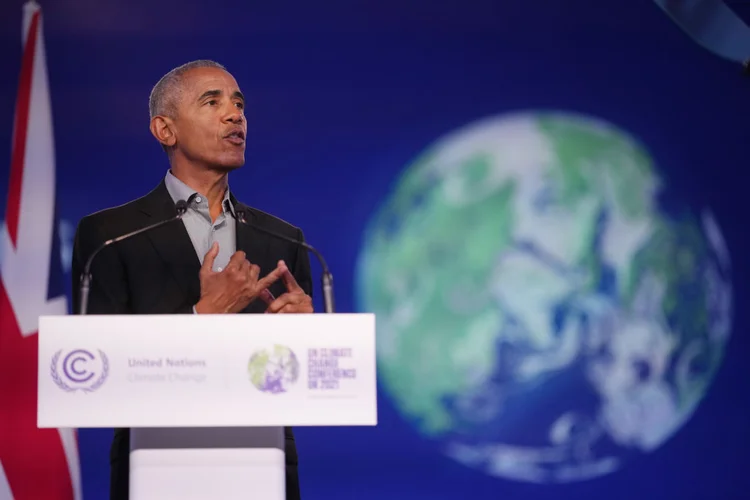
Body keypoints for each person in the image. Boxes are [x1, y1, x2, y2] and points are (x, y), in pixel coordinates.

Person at [71, 59, 313, 500]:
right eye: (212, 101)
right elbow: (94, 373)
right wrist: (205, 315)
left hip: (264, 464)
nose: (235, 114)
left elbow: (305, 381)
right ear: (165, 130)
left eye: (239, 104)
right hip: (156, 462)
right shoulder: (110, 235)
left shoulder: (284, 239)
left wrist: (309, 339)